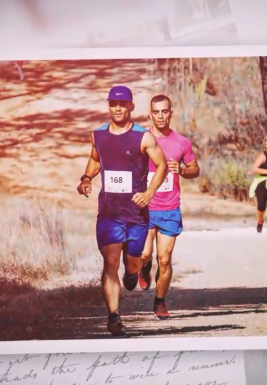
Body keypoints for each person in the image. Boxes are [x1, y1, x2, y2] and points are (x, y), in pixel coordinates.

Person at [77, 85, 168, 337]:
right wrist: (86, 178)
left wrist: (149, 193)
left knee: (131, 265)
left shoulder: (143, 137)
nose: (117, 108)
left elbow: (162, 166)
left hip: (136, 216)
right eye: (113, 104)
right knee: (110, 262)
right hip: (109, 213)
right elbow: (96, 159)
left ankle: (133, 274)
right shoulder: (98, 135)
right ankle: (114, 316)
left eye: (122, 104)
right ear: (109, 106)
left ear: (130, 107)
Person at [138, 94, 200, 320]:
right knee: (145, 253)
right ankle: (144, 267)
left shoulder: (181, 142)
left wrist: (182, 171)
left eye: (165, 111)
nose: (160, 116)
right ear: (150, 114)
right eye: (156, 112)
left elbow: (195, 169)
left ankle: (160, 302)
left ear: (171, 113)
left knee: (164, 260)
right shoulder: (141, 139)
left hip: (169, 209)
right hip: (145, 207)